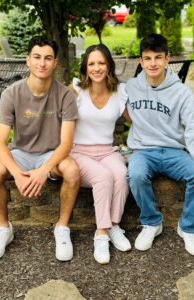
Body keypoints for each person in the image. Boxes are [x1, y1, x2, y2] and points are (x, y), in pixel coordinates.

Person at [0, 36, 80, 262]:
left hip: (51, 154)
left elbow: (66, 143)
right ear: (27, 60)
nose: (42, 63)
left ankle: (62, 228)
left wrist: (42, 170)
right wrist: (18, 174)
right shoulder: (12, 93)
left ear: (55, 63)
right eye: (37, 57)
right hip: (21, 153)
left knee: (73, 171)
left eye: (48, 58)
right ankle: (3, 229)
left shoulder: (65, 95)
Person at [125, 33, 194, 256]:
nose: (153, 63)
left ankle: (187, 227)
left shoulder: (181, 92)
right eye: (148, 58)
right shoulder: (130, 87)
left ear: (167, 59)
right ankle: (152, 222)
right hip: (143, 150)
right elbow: (105, 101)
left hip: (173, 151)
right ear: (140, 61)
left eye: (158, 57)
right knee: (135, 174)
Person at [69, 44, 131, 264]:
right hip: (78, 151)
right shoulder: (76, 88)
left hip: (106, 150)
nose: (96, 68)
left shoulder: (120, 91)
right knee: (103, 177)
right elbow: (58, 119)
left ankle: (114, 225)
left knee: (122, 175)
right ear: (85, 67)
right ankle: (101, 234)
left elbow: (136, 120)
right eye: (91, 63)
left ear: (109, 66)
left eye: (101, 63)